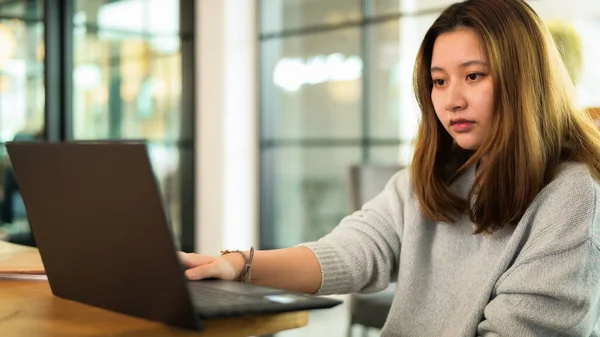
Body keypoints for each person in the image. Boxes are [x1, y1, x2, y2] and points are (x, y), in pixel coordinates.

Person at [179, 0, 600, 335]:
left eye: (473, 76)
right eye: (439, 81)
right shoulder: (432, 180)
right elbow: (354, 250)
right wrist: (238, 265)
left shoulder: (573, 196)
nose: (451, 100)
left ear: (523, 79)